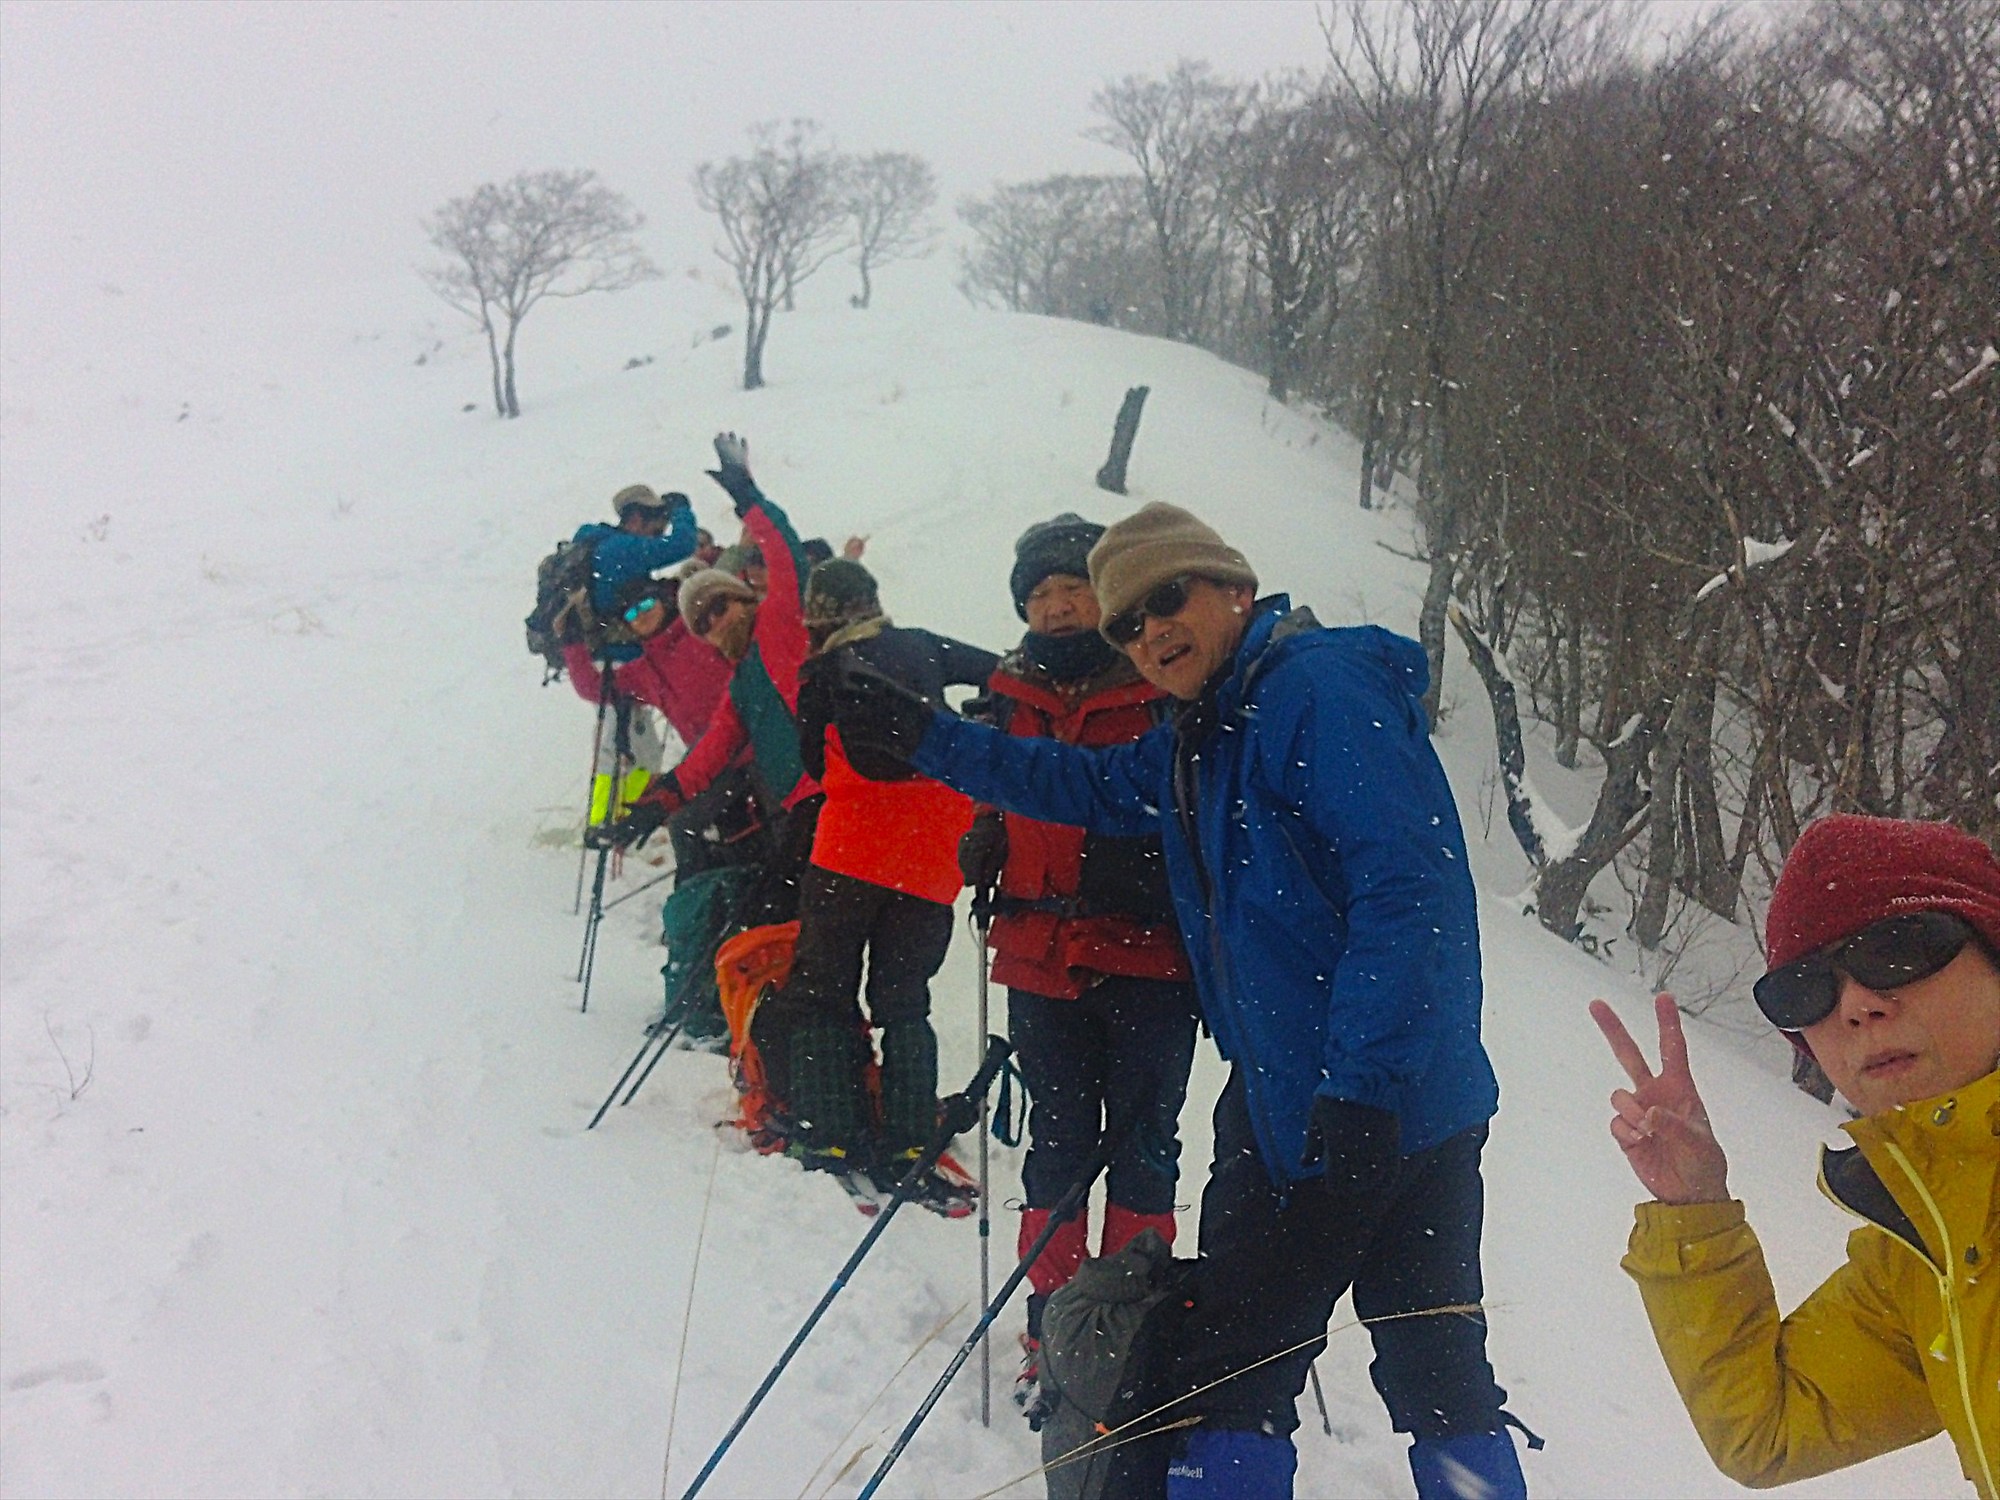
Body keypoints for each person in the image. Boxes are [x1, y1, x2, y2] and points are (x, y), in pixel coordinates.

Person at [825, 502, 1527, 1499]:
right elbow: (1081, 784)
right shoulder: (1208, 730)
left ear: (1235, 588)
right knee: (1405, 1373)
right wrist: (931, 740)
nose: (1149, 632)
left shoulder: (1314, 691)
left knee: (1265, 1378)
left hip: (1361, 1105)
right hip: (1323, 1102)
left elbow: (1408, 892)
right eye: (1126, 624)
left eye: (1167, 599)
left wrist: (1362, 1087)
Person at [1591, 813, 1999, 1499]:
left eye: (1897, 948)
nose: (1857, 1005)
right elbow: (1768, 1428)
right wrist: (1695, 1211)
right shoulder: (1925, 1253)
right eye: (1806, 988)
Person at [957, 514, 1199, 1413]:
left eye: (1072, 590)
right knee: (1056, 1148)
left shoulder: (1160, 685)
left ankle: (1124, 1332)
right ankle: (1052, 1330)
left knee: (1145, 1147)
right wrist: (982, 832)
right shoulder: (1004, 695)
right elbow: (994, 791)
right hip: (1038, 958)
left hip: (1150, 960)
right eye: (1040, 595)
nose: (1057, 607)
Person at [767, 557, 999, 1210]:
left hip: (852, 850)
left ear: (816, 617)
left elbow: (814, 762)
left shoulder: (821, 673)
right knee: (904, 1000)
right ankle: (907, 1139)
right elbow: (1003, 673)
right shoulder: (922, 645)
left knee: (822, 990)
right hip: (933, 850)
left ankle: (830, 1134)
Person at [593, 435, 823, 928]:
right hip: (796, 804)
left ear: (742, 598)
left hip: (827, 794)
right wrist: (659, 803)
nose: (716, 620)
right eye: (704, 620)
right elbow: (710, 752)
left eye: (720, 605)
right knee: (782, 910)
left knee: (802, 908)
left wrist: (748, 497)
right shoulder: (740, 685)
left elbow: (786, 556)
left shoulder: (779, 625)